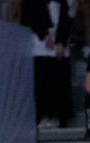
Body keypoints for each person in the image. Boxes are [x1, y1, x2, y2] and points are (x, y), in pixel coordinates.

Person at [21, 0, 73, 129]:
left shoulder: (64, 3)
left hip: (59, 42)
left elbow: (66, 20)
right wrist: (44, 34)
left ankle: (59, 117)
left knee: (60, 80)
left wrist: (61, 41)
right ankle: (43, 115)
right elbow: (28, 17)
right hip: (39, 43)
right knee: (43, 80)